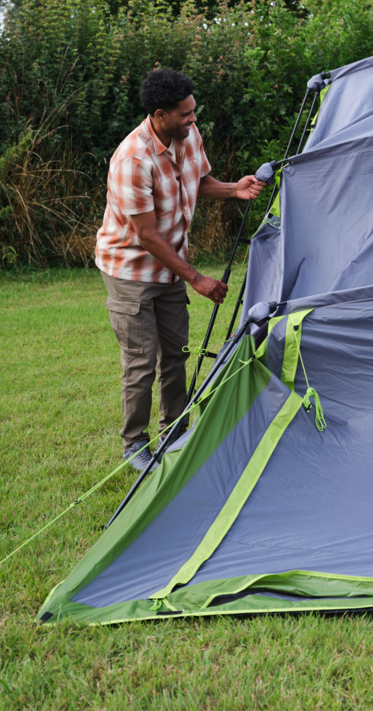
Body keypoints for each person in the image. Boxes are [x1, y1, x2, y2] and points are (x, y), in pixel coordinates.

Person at [95, 69, 265, 472]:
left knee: (176, 354)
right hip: (131, 270)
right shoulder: (133, 159)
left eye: (193, 112)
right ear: (159, 115)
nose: (193, 119)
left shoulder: (187, 136)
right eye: (185, 114)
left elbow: (199, 182)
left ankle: (176, 430)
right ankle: (134, 444)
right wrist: (198, 279)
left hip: (170, 269)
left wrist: (232, 189)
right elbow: (147, 236)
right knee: (141, 359)